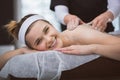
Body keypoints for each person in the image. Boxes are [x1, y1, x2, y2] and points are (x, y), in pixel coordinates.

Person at [0, 14, 120, 70]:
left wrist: (92, 48)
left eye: (47, 30)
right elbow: (2, 60)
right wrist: (22, 50)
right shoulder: (38, 51)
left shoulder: (78, 34)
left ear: (52, 25)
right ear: (34, 48)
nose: (48, 39)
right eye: (38, 41)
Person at [50, 0, 120, 32]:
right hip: (74, 34)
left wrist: (106, 17)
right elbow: (60, 12)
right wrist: (70, 19)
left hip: (104, 31)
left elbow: (116, 5)